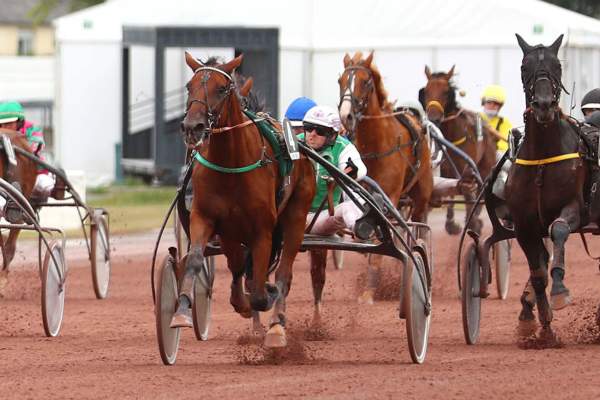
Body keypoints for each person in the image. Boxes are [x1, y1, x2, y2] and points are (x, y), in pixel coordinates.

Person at [299, 105, 367, 236]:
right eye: (308, 128)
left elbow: (360, 170)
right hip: (290, 216)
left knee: (347, 207)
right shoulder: (294, 142)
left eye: (320, 131)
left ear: (332, 135)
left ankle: (361, 228)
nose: (312, 134)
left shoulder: (343, 147)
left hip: (322, 218)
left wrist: (352, 172)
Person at [0, 101, 55, 202]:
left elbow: (36, 145)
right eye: (1, 124)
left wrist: (16, 141)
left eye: (9, 123)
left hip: (35, 172)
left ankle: (54, 188)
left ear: (19, 122)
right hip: (7, 177)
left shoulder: (31, 130)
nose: (5, 128)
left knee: (44, 184)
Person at [480, 84, 513, 158]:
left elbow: (505, 146)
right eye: (489, 102)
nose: (492, 105)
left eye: (496, 103)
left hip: (496, 155)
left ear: (500, 106)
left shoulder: (505, 122)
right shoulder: (475, 118)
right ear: (483, 103)